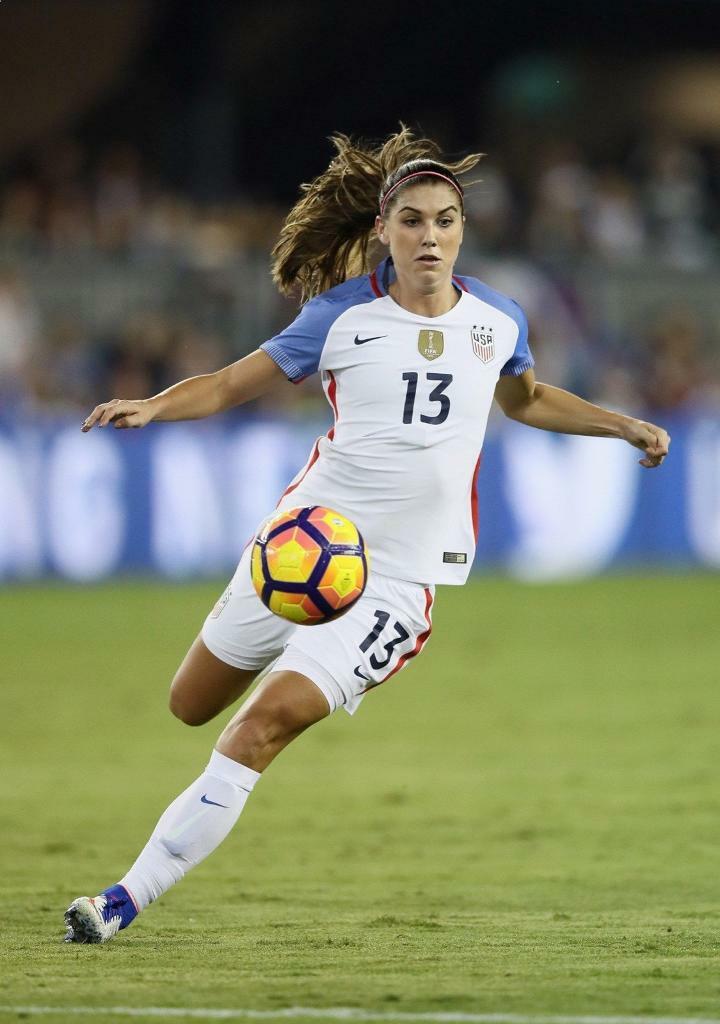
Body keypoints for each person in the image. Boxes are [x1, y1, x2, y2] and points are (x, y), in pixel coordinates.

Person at [64, 128, 670, 943]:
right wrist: (153, 405)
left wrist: (622, 424)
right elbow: (229, 382)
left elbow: (524, 400)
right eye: (413, 221)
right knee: (190, 705)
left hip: (396, 581)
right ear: (383, 229)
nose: (430, 237)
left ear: (463, 230)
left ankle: (120, 901)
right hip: (302, 545)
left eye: (445, 221)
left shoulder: (499, 320)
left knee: (258, 729)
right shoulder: (341, 317)